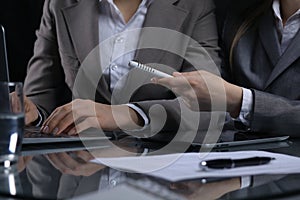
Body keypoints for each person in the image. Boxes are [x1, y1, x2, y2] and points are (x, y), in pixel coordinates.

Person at [23, 0, 221, 139]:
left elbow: (210, 105)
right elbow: (41, 95)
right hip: (79, 173)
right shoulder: (59, 3)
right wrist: (33, 113)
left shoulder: (195, 5)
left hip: (159, 172)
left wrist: (127, 115)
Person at [153, 0, 300, 137]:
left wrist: (239, 100)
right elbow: (209, 103)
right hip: (233, 152)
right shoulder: (236, 12)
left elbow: (222, 98)